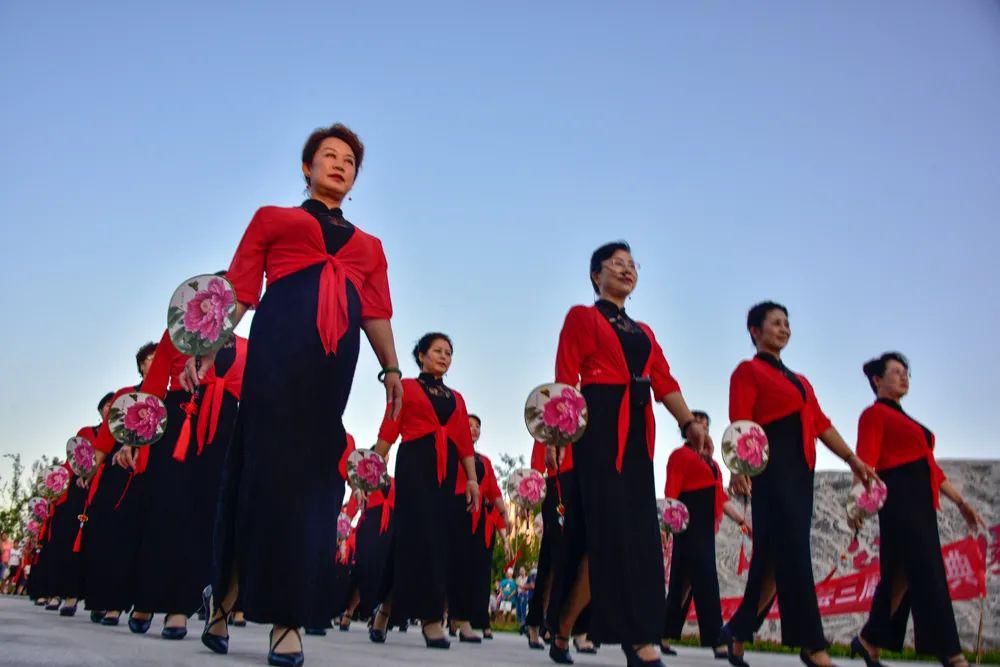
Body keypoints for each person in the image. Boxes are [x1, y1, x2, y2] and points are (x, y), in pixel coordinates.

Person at [193, 123, 402, 667]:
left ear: (354, 178)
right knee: (260, 475)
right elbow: (240, 290)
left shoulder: (370, 247)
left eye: (349, 160)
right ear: (306, 168)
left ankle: (287, 619)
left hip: (333, 367)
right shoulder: (273, 219)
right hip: (277, 349)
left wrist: (393, 372)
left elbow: (376, 312)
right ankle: (226, 595)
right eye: (327, 156)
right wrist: (206, 344)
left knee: (312, 487)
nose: (339, 164)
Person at [548, 241, 706, 667]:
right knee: (608, 530)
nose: (625, 269)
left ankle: (564, 626)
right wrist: (557, 439)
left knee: (634, 533)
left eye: (631, 264)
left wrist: (689, 423)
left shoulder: (646, 332)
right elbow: (565, 377)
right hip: (598, 425)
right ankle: (636, 637)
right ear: (595, 276)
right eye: (615, 264)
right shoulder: (581, 317)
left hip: (637, 432)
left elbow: (664, 379)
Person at [721, 301, 877, 667]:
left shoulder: (800, 381)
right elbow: (740, 422)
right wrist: (737, 469)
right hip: (771, 470)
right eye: (775, 323)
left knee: (774, 557)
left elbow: (821, 424)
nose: (784, 328)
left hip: (800, 471)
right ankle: (812, 644)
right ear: (755, 332)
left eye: (787, 323)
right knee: (792, 553)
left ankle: (737, 630)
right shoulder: (748, 371)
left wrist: (853, 460)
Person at [850, 352, 984, 667]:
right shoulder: (874, 415)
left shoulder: (908, 421)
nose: (903, 376)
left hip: (921, 502)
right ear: (877, 380)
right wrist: (857, 503)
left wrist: (961, 503)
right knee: (926, 571)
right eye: (895, 372)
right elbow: (865, 462)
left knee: (901, 575)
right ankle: (950, 652)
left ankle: (868, 640)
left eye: (906, 372)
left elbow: (932, 470)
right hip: (899, 499)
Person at [112, 327, 247, 639]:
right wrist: (132, 439)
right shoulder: (177, 335)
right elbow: (156, 380)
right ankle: (146, 600)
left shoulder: (246, 347)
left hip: (223, 430)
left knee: (202, 518)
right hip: (178, 421)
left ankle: (179, 609)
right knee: (164, 510)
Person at [370, 332, 480, 649]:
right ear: (421, 355)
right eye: (437, 351)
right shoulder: (406, 388)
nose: (444, 357)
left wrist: (472, 480)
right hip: (415, 465)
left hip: (446, 474)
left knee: (434, 543)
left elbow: (463, 441)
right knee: (415, 540)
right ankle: (429, 621)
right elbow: (389, 428)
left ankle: (386, 610)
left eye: (448, 352)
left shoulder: (457, 399)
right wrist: (373, 467)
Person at [661, 410, 749, 658]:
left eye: (706, 425)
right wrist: (667, 527)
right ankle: (717, 640)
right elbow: (672, 491)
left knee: (681, 584)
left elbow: (720, 499)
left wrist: (742, 521)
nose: (703, 428)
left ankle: (664, 635)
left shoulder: (714, 465)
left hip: (705, 527)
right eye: (698, 424)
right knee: (706, 580)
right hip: (687, 524)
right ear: (688, 430)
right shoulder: (680, 455)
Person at [80, 344, 157, 627]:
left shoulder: (175, 395)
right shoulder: (125, 396)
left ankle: (135, 603)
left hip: (153, 473)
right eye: (149, 359)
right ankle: (107, 601)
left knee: (144, 538)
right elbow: (106, 439)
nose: (154, 362)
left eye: (158, 358)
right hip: (121, 472)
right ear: (140, 366)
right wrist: (94, 466)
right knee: (113, 536)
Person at [447, 413, 507, 642]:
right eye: (469, 425)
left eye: (477, 427)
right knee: (456, 566)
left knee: (474, 570)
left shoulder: (485, 461)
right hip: (456, 512)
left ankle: (465, 619)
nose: (473, 429)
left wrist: (504, 514)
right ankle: (457, 618)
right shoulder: (453, 452)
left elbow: (493, 490)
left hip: (479, 520)